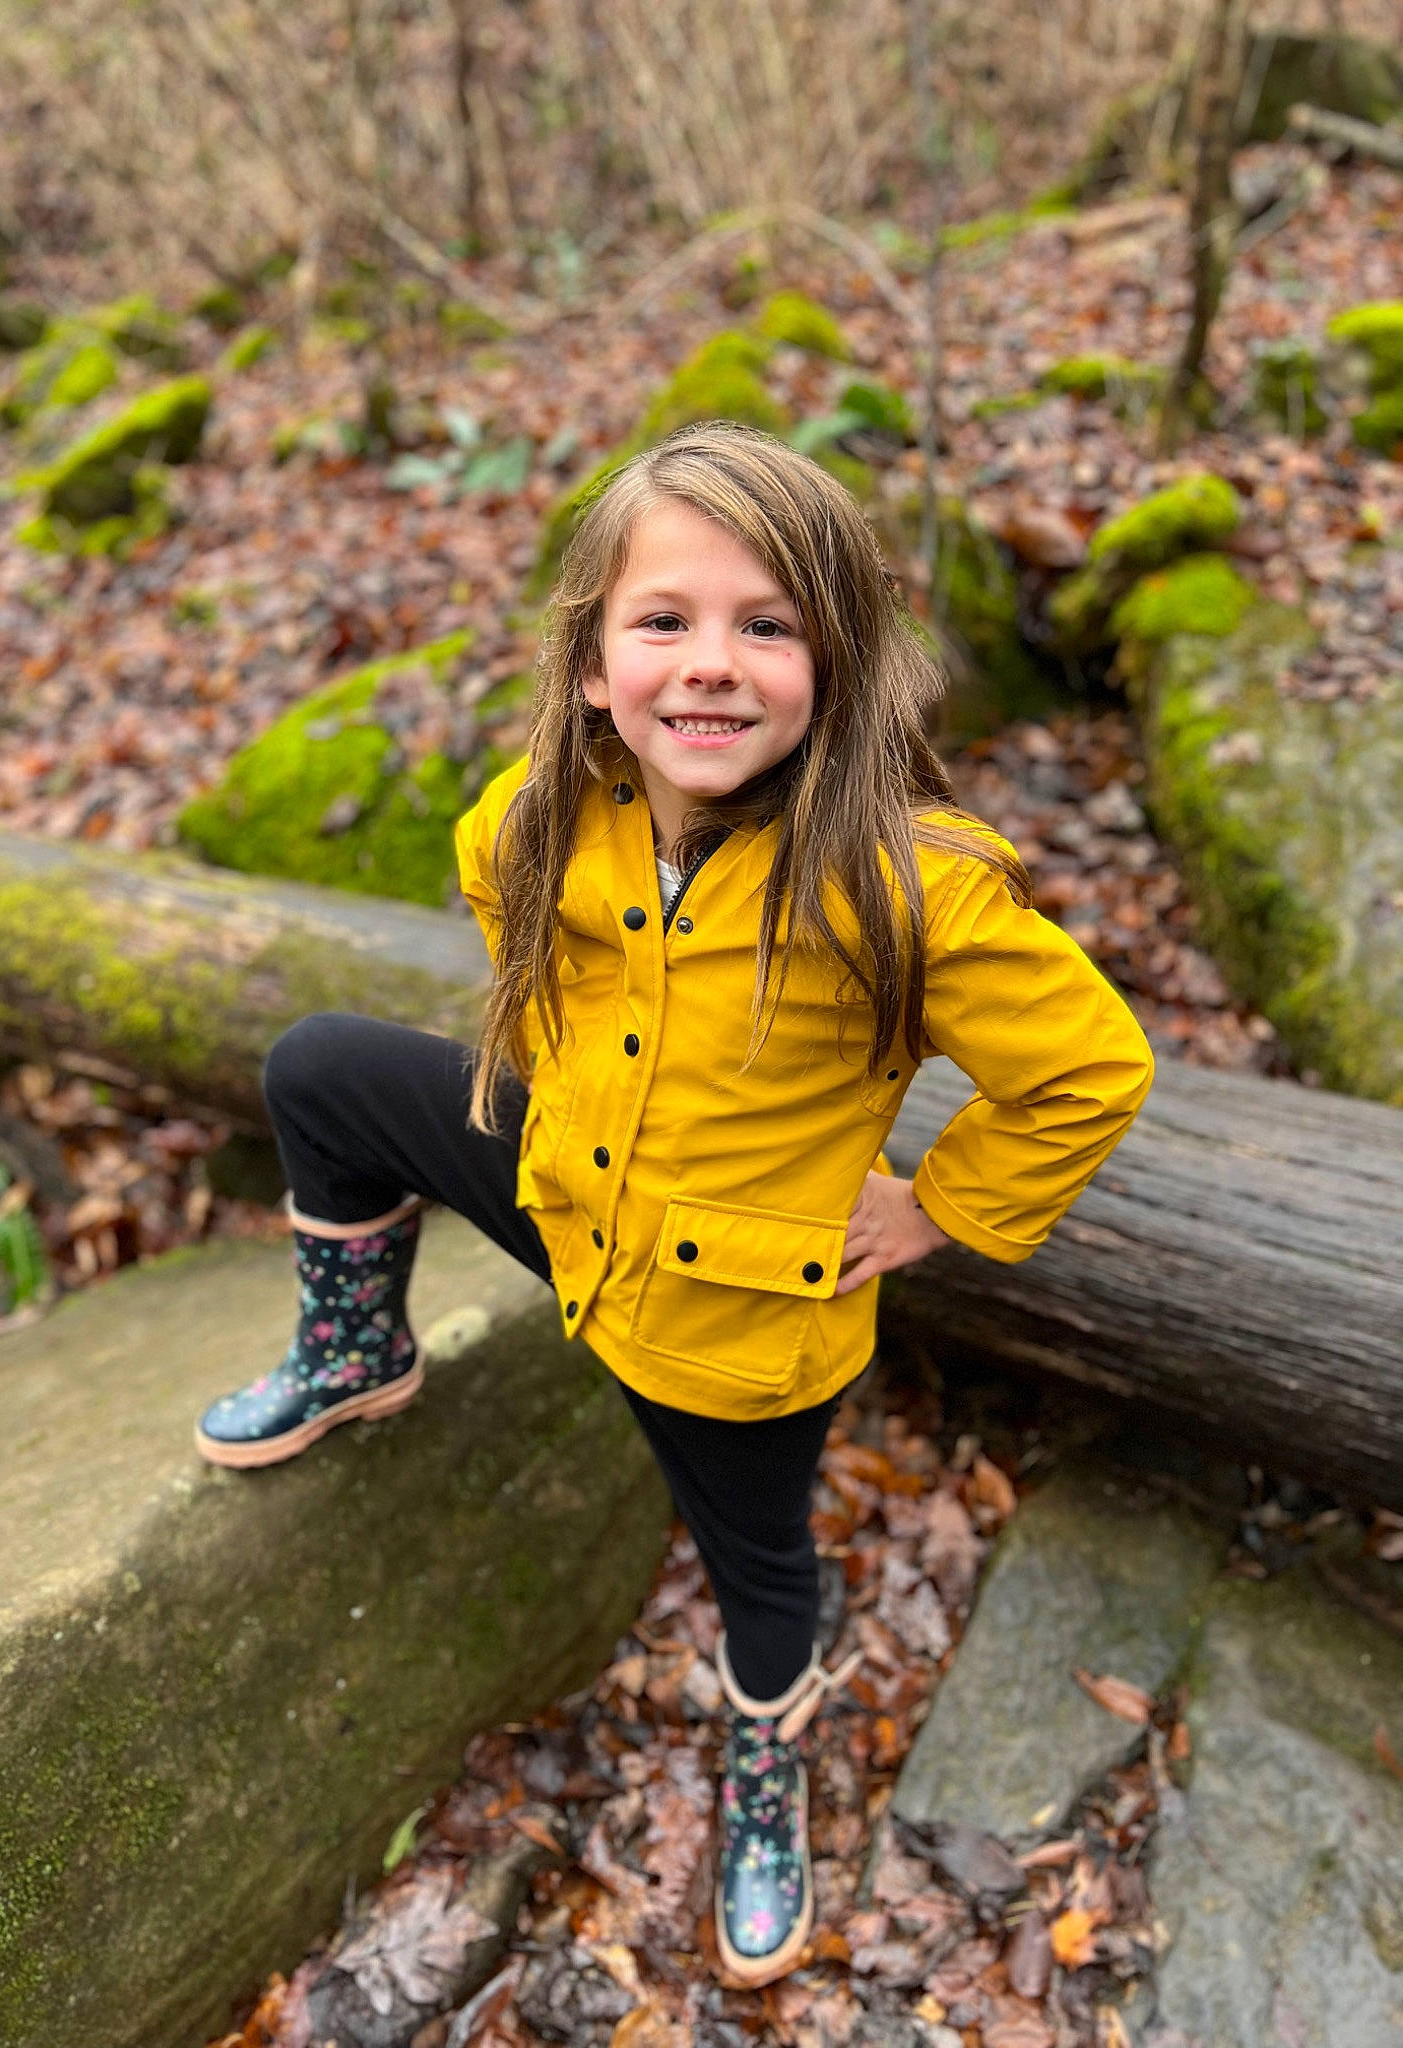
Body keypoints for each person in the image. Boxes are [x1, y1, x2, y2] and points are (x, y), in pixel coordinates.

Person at [194, 420, 1155, 1986]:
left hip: (733, 1324)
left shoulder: (904, 881)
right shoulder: (544, 817)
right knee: (321, 1068)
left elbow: (1090, 1070)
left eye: (766, 626)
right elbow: (501, 893)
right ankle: (357, 1345)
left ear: (835, 668)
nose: (711, 665)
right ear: (591, 664)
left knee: (761, 1571)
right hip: (572, 1203)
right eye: (666, 621)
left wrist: (939, 1210)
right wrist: (566, 1076)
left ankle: (764, 1763)